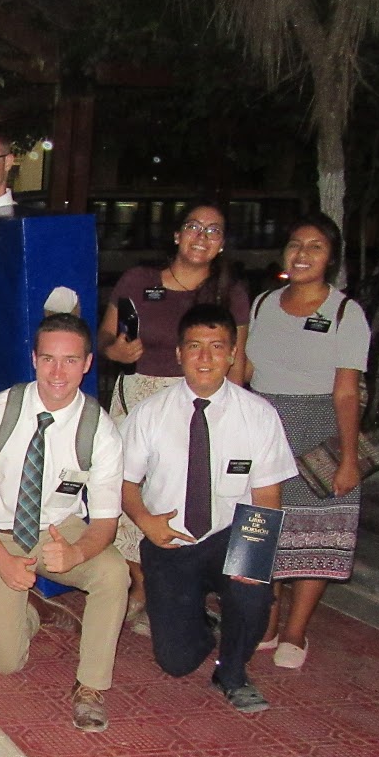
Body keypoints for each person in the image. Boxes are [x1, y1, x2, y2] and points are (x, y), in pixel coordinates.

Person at [120, 305, 296, 713]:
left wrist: (254, 559)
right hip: (170, 541)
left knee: (253, 595)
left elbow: (268, 494)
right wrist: (145, 521)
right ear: (179, 354)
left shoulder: (259, 415)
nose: (205, 357)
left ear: (233, 354)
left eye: (217, 347)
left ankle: (231, 670)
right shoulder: (150, 413)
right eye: (194, 346)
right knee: (176, 662)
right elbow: (124, 482)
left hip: (229, 535)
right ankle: (199, 622)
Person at [0, 314, 130, 731]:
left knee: (113, 573)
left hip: (58, 530)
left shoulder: (100, 431)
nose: (58, 372)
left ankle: (90, 686)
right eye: (49, 359)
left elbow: (105, 522)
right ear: (34, 359)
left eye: (70, 360)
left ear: (87, 363)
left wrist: (77, 553)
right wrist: (0, 559)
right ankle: (35, 609)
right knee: (4, 663)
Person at [97, 201, 252, 629]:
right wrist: (115, 350)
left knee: (185, 495)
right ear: (177, 234)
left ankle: (180, 588)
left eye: (214, 230)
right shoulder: (139, 280)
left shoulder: (230, 294)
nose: (202, 236)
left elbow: (237, 360)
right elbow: (105, 336)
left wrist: (234, 416)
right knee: (127, 490)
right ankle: (139, 588)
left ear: (222, 244)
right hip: (140, 397)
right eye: (194, 226)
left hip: (200, 402)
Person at [245, 212, 371, 669]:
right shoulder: (262, 303)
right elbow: (246, 370)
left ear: (330, 257)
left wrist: (349, 458)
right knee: (262, 528)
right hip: (265, 427)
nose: (302, 254)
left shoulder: (345, 313)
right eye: (295, 244)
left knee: (315, 532)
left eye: (315, 246)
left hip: (319, 428)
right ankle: (266, 621)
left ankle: (296, 630)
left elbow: (347, 391)